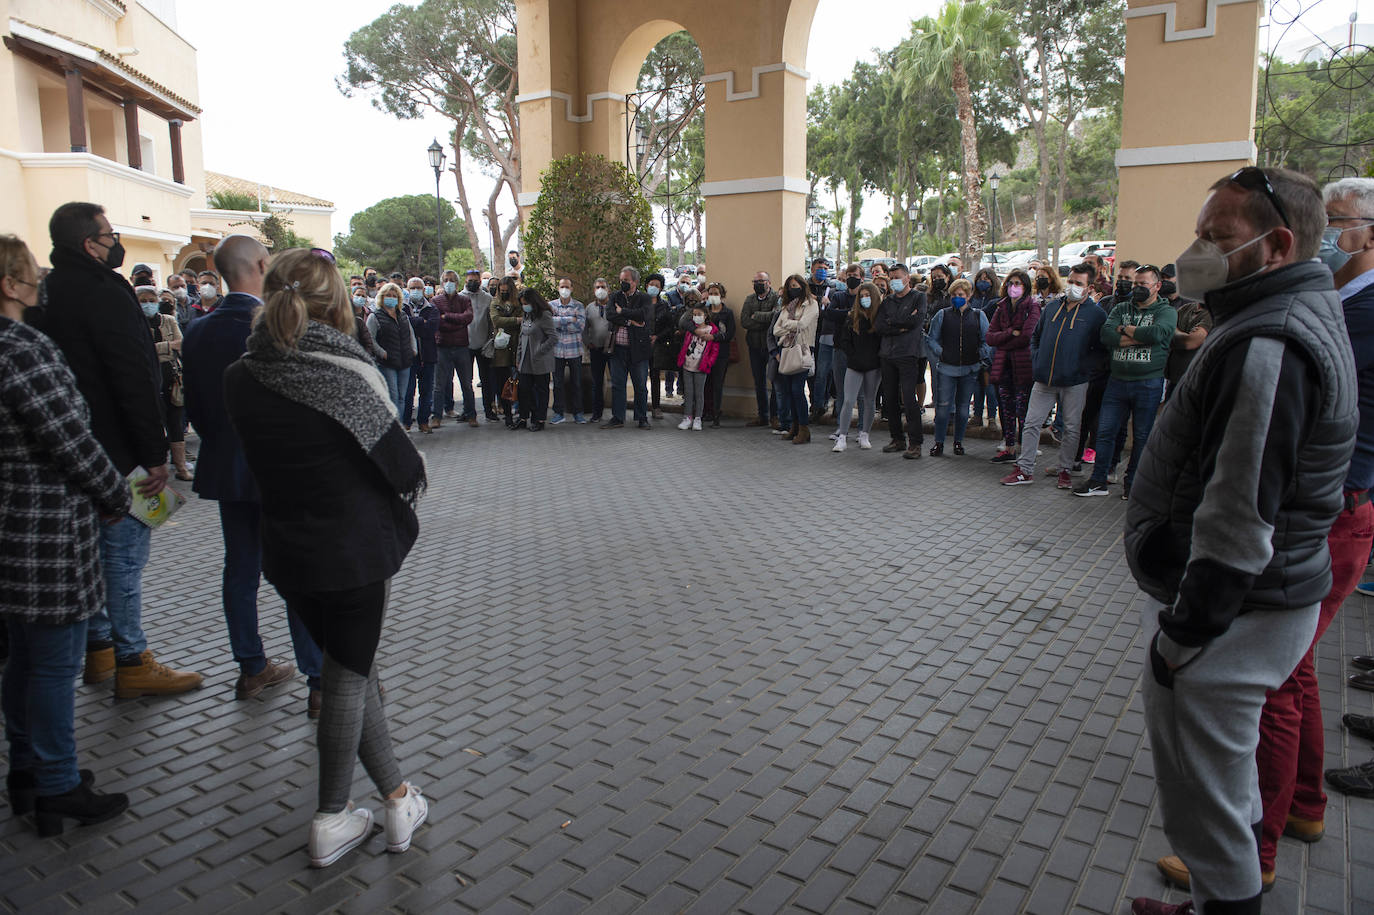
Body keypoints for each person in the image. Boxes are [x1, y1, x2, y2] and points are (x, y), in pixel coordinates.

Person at [1126, 168, 1356, 915]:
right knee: (1219, 792)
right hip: (1257, 603)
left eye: (1218, 238)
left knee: (1218, 802)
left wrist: (1185, 636)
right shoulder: (1280, 313)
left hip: (1239, 611)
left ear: (1278, 244)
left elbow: (1238, 515)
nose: (1197, 251)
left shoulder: (1271, 343)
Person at [223, 246, 429, 870]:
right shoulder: (346, 375)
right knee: (347, 680)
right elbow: (403, 466)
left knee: (352, 673)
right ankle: (332, 816)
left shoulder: (242, 375)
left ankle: (397, 799)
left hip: (286, 551)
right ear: (335, 302)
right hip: (354, 550)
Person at [38, 202, 202, 697]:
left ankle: (99, 650)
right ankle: (132, 659)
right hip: (120, 450)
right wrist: (154, 453)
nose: (116, 242)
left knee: (91, 553)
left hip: (72, 449)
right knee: (125, 556)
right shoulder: (105, 291)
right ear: (90, 244)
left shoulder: (48, 290)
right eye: (109, 234)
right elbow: (132, 375)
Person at [0, 233, 131, 837]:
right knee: (53, 665)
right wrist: (115, 492)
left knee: (23, 660)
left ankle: (26, 770)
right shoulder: (22, 348)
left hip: (15, 529)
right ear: (10, 284)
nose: (39, 283)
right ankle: (56, 783)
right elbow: (69, 438)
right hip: (44, 530)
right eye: (31, 275)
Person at [181, 235, 322, 711]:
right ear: (263, 264)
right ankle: (319, 680)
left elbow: (195, 408)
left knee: (239, 572)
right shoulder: (277, 322)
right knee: (299, 572)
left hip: (227, 468)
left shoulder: (197, 330)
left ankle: (251, 666)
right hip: (279, 470)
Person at [1073, 264, 1177, 499]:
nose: (1137, 288)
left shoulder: (1166, 311)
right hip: (1117, 381)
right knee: (1106, 432)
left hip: (1148, 383)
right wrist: (1136, 335)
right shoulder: (1120, 308)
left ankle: (1133, 484)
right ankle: (1098, 480)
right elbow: (1107, 335)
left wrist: (1125, 331)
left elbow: (1159, 334)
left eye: (1143, 284)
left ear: (1157, 286)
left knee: (1141, 436)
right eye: (1135, 284)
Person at [999, 264, 1106, 487]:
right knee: (1031, 423)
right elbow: (1036, 337)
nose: (1073, 286)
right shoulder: (1052, 307)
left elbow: (1101, 350)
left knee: (1072, 427)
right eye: (1071, 281)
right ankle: (1025, 469)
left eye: (1079, 283)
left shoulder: (1096, 314)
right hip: (1044, 378)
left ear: (1089, 287)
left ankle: (1065, 469)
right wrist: (1037, 359)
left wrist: (1083, 368)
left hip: (1075, 381)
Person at [926, 278, 991, 457]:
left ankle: (958, 442)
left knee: (963, 409)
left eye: (960, 295)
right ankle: (938, 443)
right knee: (943, 407)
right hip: (947, 368)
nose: (957, 298)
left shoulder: (979, 315)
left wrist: (981, 354)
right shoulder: (942, 315)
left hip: (970, 369)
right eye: (954, 295)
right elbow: (931, 338)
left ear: (969, 296)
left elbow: (987, 340)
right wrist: (941, 352)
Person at [135, 286, 191, 481]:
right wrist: (168, 346)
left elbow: (181, 343)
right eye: (143, 300)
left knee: (175, 421)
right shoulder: (135, 323)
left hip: (171, 376)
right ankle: (157, 466)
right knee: (154, 422)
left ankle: (181, 467)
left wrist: (156, 349)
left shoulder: (168, 320)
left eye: (151, 300)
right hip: (148, 377)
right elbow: (140, 349)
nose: (148, 304)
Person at [986, 270, 1041, 463]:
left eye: (1018, 283)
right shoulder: (1001, 307)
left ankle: (1027, 451)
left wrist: (1004, 339)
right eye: (1010, 283)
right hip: (1004, 366)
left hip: (1023, 366)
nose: (1013, 287)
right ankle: (1009, 449)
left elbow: (1027, 335)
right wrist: (1011, 332)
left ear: (1025, 286)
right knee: (1006, 409)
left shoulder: (1032, 307)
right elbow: (990, 336)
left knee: (1023, 411)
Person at [874, 264, 928, 459]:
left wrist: (894, 322)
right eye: (891, 277)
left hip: (907, 354)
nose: (894, 280)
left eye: (897, 277)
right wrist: (900, 325)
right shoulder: (887, 301)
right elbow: (880, 325)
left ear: (907, 278)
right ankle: (897, 438)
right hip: (887, 354)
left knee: (908, 398)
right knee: (889, 399)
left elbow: (916, 321)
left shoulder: (918, 297)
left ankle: (915, 443)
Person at [832, 281, 883, 453]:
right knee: (848, 400)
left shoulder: (880, 317)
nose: (864, 299)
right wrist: (853, 356)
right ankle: (843, 436)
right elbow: (844, 340)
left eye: (868, 296)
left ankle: (864, 434)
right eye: (862, 296)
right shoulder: (852, 316)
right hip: (855, 364)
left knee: (869, 401)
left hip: (874, 366)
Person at [603, 266, 652, 430]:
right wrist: (629, 321)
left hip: (638, 349)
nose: (622, 283)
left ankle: (642, 417)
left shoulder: (644, 298)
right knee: (617, 384)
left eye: (626, 280)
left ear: (635, 282)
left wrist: (622, 311)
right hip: (617, 349)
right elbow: (609, 314)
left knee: (640, 385)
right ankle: (618, 417)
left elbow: (644, 315)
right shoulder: (615, 296)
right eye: (621, 280)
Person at [773, 275, 818, 444]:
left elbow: (803, 325)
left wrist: (788, 324)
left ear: (803, 286)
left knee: (798, 390)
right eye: (790, 286)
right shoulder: (787, 306)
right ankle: (795, 426)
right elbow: (775, 330)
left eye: (795, 285)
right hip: (787, 349)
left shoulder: (811, 304)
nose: (793, 288)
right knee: (788, 391)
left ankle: (804, 428)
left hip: (803, 349)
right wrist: (791, 324)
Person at [432, 270, 476, 429]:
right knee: (439, 385)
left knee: (466, 383)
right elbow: (438, 322)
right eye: (446, 280)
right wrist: (457, 322)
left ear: (457, 283)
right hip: (442, 347)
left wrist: (447, 316)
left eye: (451, 280)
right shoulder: (436, 301)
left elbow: (468, 318)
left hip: (462, 347)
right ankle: (436, 416)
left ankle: (472, 415)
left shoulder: (465, 300)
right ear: (442, 282)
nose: (449, 282)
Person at [366, 283, 414, 419]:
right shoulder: (374, 317)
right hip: (387, 363)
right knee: (393, 396)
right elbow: (370, 339)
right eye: (388, 295)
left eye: (394, 296)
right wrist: (382, 353)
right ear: (382, 297)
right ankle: (395, 427)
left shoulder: (403, 315)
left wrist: (413, 350)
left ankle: (401, 426)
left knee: (401, 397)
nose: (391, 298)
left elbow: (411, 334)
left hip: (405, 361)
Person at [1164, 265, 1212, 397]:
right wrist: (1178, 333)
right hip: (1173, 378)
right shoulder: (1186, 308)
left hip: (1194, 382)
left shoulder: (1212, 314)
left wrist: (1174, 330)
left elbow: (1190, 342)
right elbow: (1165, 330)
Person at [740, 271, 780, 428]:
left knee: (775, 381)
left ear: (768, 282)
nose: (758, 284)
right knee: (759, 382)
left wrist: (755, 316)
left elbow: (776, 317)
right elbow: (744, 321)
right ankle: (762, 415)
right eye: (755, 281)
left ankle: (774, 416)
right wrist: (766, 320)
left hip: (772, 347)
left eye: (761, 281)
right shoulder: (749, 299)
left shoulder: (776, 297)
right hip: (754, 346)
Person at [403, 279, 440, 434]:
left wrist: (415, 324)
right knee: (408, 391)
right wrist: (419, 321)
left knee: (426, 391)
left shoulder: (432, 308)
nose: (416, 290)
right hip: (409, 356)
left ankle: (423, 421)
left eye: (419, 287)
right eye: (413, 288)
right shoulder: (402, 307)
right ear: (407, 289)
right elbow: (404, 327)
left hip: (428, 355)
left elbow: (430, 329)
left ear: (424, 289)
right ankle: (405, 422)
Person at [515, 288, 555, 431]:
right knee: (524, 390)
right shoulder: (526, 315)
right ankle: (523, 417)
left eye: (526, 303)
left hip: (540, 360)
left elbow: (553, 337)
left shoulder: (544, 315)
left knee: (541, 390)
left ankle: (539, 419)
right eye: (522, 303)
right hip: (525, 360)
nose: (524, 306)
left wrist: (539, 351)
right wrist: (518, 356)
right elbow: (522, 337)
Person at [676, 302, 720, 431]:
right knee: (688, 393)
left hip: (701, 367)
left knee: (699, 393)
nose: (696, 317)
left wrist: (709, 363)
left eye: (699, 314)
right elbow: (683, 325)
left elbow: (715, 350)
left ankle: (698, 418)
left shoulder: (712, 330)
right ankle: (687, 417)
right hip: (687, 364)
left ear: (706, 315)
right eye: (694, 314)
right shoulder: (691, 328)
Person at [549, 278, 586, 425]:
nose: (564, 289)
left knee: (576, 383)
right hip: (556, 351)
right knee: (557, 383)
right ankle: (558, 413)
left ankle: (578, 413)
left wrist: (559, 321)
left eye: (567, 286)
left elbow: (580, 327)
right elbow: (549, 324)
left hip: (574, 351)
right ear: (558, 288)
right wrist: (570, 319)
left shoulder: (579, 305)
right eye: (562, 286)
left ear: (572, 288)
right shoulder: (551, 305)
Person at [699, 282, 736, 427]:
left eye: (716, 293)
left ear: (722, 295)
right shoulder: (703, 310)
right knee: (705, 383)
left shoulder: (727, 313)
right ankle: (705, 411)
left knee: (717, 384)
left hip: (721, 353)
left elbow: (730, 333)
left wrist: (714, 337)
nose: (713, 296)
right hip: (704, 353)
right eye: (711, 293)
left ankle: (716, 413)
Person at [463, 269, 497, 423]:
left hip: (484, 345)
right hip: (465, 346)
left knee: (487, 380)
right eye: (470, 280)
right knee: (466, 380)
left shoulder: (488, 298)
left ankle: (489, 410)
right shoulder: (459, 298)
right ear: (465, 281)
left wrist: (491, 340)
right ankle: (468, 411)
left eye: (476, 280)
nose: (473, 283)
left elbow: (491, 323)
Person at [968, 268, 1001, 428]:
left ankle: (992, 417)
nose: (983, 281)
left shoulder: (996, 300)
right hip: (974, 343)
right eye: (980, 278)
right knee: (977, 383)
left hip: (990, 345)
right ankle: (977, 415)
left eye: (986, 279)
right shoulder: (973, 298)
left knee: (989, 384)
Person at [490, 276, 523, 428]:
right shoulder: (495, 303)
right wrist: (515, 321)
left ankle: (522, 413)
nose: (503, 293)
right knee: (503, 383)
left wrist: (512, 321)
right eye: (501, 291)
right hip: (501, 350)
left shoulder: (519, 302)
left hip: (517, 346)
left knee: (520, 382)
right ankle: (507, 414)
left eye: (506, 291)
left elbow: (524, 319)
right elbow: (496, 320)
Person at [648, 274, 679, 419]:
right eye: (651, 284)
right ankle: (640, 407)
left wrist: (657, 336)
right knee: (640, 376)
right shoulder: (640, 302)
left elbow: (669, 327)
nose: (653, 287)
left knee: (654, 376)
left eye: (657, 285)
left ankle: (656, 407)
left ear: (661, 288)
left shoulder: (664, 305)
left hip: (657, 346)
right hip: (640, 345)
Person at [584, 278, 612, 423]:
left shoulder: (614, 306)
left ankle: (617, 414)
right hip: (596, 349)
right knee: (597, 382)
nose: (600, 290)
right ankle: (597, 413)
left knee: (616, 381)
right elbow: (584, 328)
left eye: (602, 287)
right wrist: (587, 343)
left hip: (612, 349)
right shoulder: (589, 308)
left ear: (608, 289)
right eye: (597, 287)